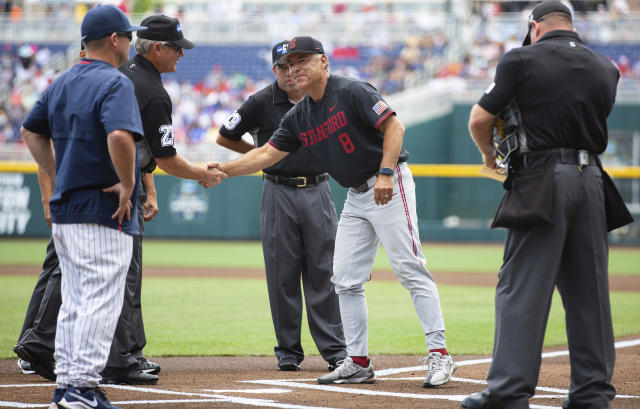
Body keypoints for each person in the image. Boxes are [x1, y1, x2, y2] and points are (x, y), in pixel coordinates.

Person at [209, 36, 456, 387]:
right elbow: (265, 155)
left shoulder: (352, 91)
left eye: (303, 61)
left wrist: (386, 172)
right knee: (344, 279)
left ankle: (440, 354)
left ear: (324, 62)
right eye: (290, 64)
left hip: (388, 183)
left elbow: (394, 127)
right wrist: (222, 171)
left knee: (409, 268)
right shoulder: (299, 116)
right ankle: (357, 360)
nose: (294, 69)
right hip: (355, 195)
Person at [462, 2, 624, 408]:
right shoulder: (606, 67)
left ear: (535, 27)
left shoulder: (520, 59)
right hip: (593, 182)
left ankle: (508, 393)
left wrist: (489, 159)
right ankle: (592, 394)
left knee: (522, 290)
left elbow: (480, 120)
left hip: (544, 179)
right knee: (590, 295)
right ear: (569, 25)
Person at [20, 5, 148, 409]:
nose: (130, 42)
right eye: (127, 36)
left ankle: (69, 381)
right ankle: (81, 387)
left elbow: (30, 130)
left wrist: (57, 176)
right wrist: (128, 183)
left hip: (67, 210)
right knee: (99, 299)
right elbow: (120, 136)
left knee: (76, 300)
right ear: (114, 40)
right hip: (103, 207)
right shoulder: (115, 81)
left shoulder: (61, 81)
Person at [216, 40, 346, 372]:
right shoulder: (260, 100)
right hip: (277, 190)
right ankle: (288, 351)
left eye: (293, 65)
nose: (289, 72)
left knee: (324, 272)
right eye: (282, 67)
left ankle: (335, 350)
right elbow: (224, 136)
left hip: (318, 188)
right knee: (281, 274)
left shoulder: (322, 95)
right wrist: (256, 157)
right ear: (274, 70)